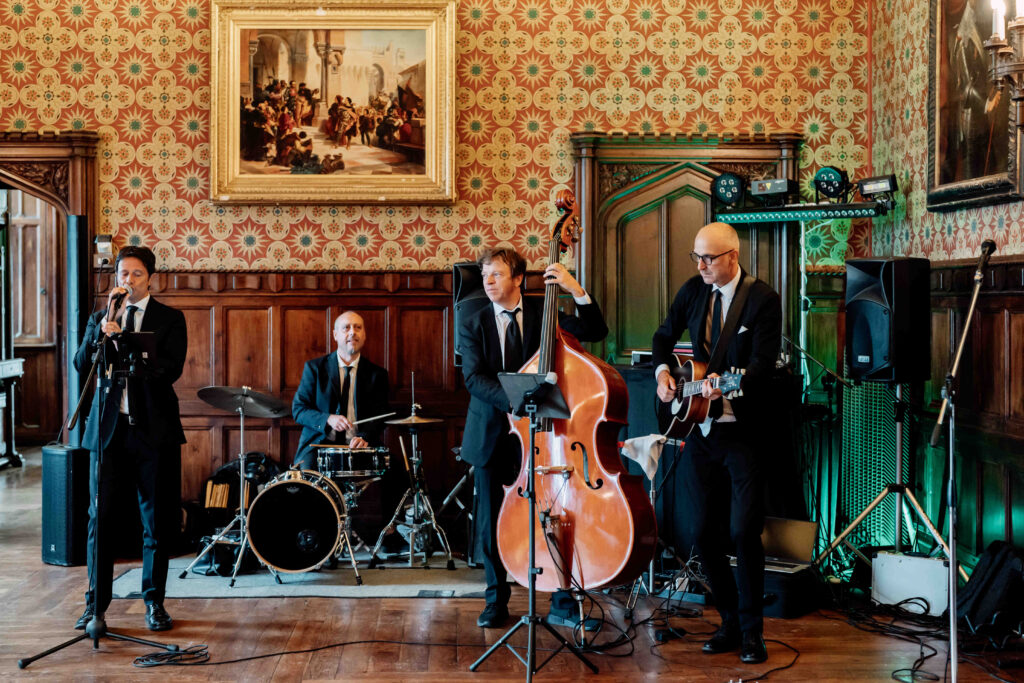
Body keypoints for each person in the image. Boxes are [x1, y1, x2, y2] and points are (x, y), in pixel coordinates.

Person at [457, 247, 608, 629]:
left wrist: (576, 289)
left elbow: (596, 331)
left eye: (496, 274)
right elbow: (474, 378)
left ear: (519, 278)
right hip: (492, 430)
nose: (488, 282)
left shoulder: (545, 312)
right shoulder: (471, 319)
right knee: (492, 520)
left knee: (553, 512)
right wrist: (518, 402)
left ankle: (561, 599)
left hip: (543, 435)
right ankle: (496, 599)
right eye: (485, 274)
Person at [651, 222, 781, 665]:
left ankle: (752, 633)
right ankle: (727, 619)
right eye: (697, 257)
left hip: (744, 431)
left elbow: (763, 368)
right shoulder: (692, 290)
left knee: (743, 532)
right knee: (700, 532)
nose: (702, 266)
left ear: (733, 255)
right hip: (701, 430)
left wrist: (723, 388)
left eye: (710, 258)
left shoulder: (762, 299)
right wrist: (664, 375)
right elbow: (662, 339)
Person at [73, 246, 187, 632]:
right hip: (107, 434)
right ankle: (95, 607)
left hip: (153, 432)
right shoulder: (100, 317)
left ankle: (154, 603)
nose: (128, 280)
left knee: (155, 521)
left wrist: (124, 339)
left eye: (137, 274)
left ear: (151, 277)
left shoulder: (170, 319)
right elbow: (79, 364)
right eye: (123, 273)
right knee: (99, 519)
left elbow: (166, 371)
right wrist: (103, 331)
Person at [292, 311, 390, 470]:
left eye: (358, 327)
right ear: (335, 335)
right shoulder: (314, 368)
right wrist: (328, 419)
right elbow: (298, 410)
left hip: (359, 445)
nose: (353, 332)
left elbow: (381, 414)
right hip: (319, 445)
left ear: (364, 335)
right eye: (346, 328)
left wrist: (364, 436)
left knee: (398, 475)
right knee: (307, 483)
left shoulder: (377, 374)